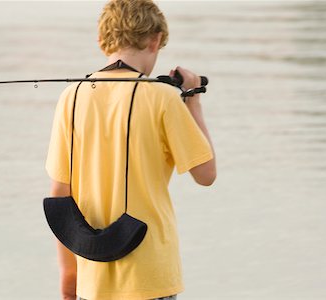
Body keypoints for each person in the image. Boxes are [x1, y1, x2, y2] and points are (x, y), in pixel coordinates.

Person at [45, 0, 216, 299]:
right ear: (156, 40)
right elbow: (206, 174)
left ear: (102, 42)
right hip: (151, 275)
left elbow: (60, 195)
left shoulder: (71, 98)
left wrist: (69, 275)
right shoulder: (163, 97)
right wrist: (193, 99)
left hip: (92, 274)